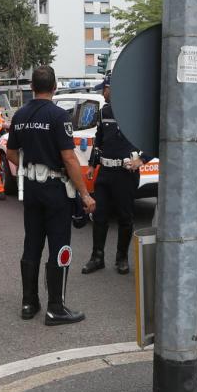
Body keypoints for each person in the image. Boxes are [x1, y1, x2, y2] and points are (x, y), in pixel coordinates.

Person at [7, 64, 97, 325]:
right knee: (60, 246)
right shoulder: (59, 116)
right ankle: (55, 308)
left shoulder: (20, 115)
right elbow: (69, 158)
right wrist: (84, 194)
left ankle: (28, 303)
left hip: (32, 190)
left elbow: (12, 153)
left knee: (32, 243)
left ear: (32, 87)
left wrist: (29, 165)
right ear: (55, 87)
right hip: (56, 191)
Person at [82, 79, 142, 275]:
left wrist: (141, 160)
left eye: (105, 89)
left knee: (125, 217)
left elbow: (152, 139)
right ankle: (97, 257)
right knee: (99, 216)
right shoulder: (103, 112)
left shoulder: (134, 112)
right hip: (105, 173)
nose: (103, 93)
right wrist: (92, 164)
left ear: (112, 89)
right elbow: (99, 140)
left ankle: (122, 258)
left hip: (125, 174)